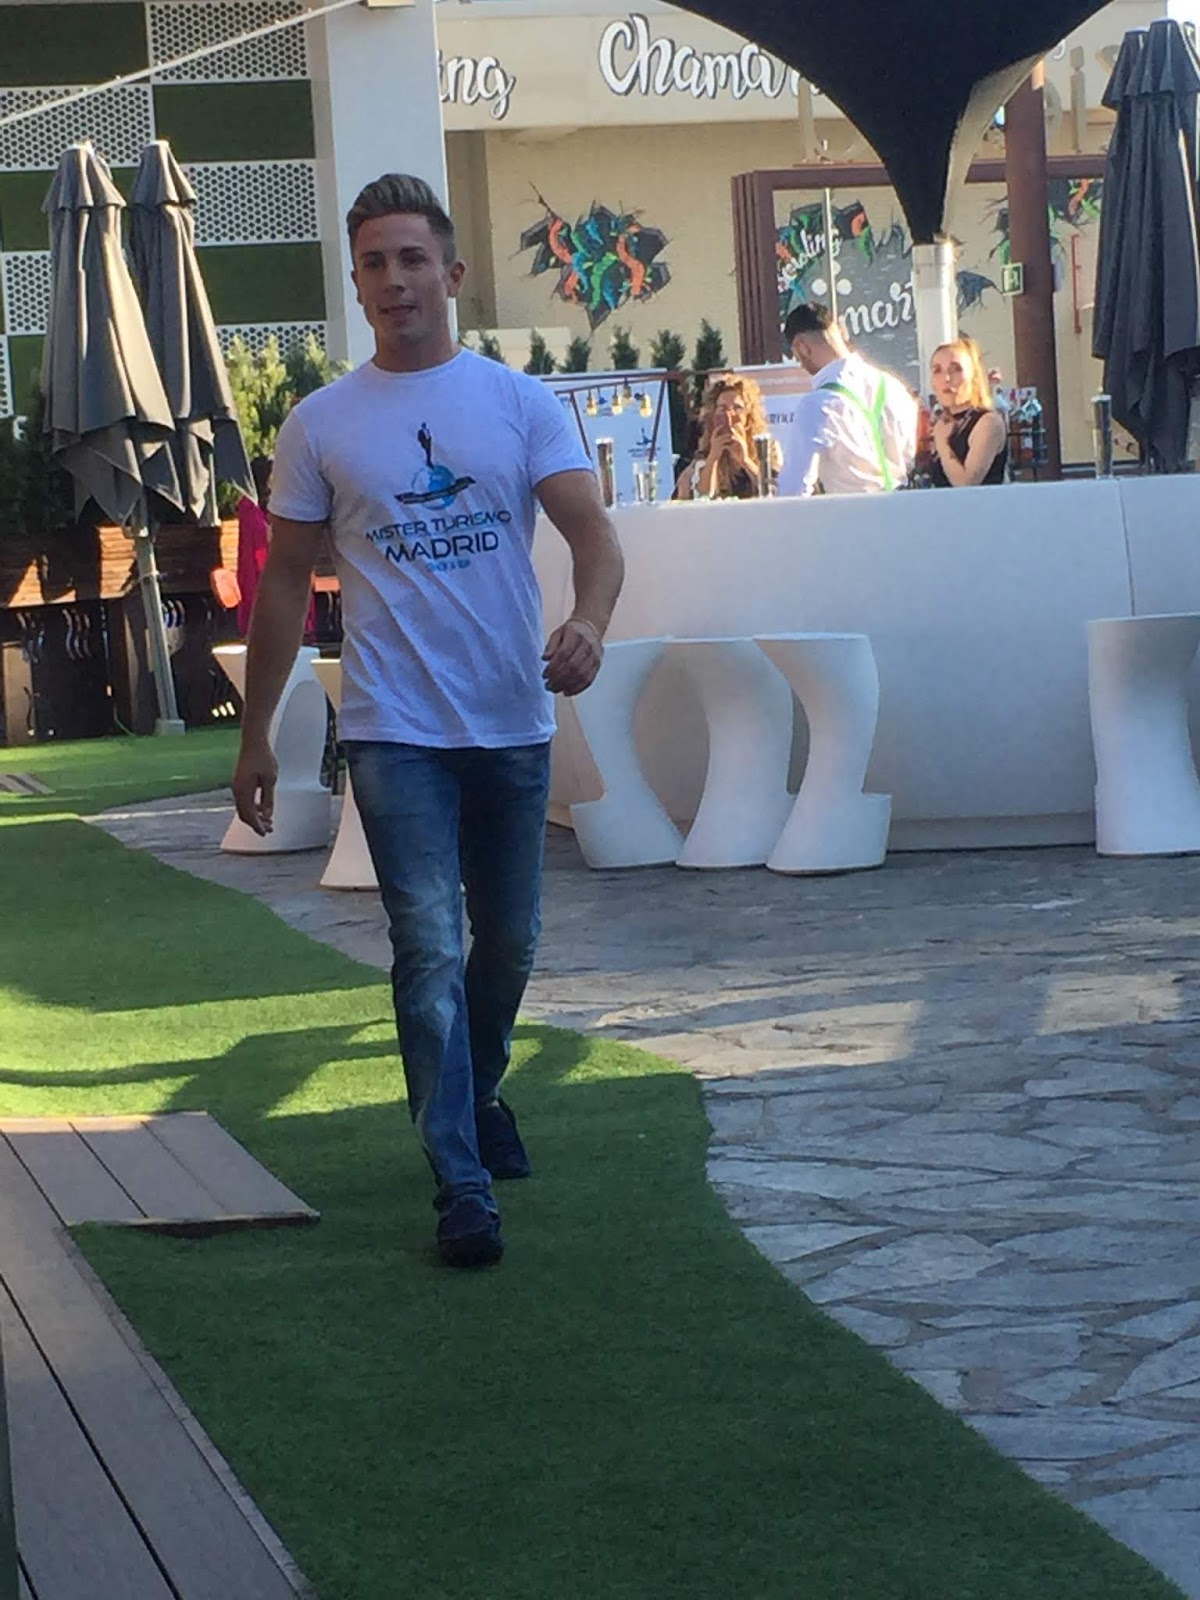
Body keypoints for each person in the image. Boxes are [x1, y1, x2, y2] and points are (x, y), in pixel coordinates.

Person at [231, 173, 624, 1270]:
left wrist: (589, 623)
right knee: (429, 945)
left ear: (451, 275)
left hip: (511, 718)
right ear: (356, 283)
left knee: (510, 941)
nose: (394, 279)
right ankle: (460, 1181)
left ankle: (479, 1092)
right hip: (392, 727)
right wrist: (258, 733)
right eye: (374, 263)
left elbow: (594, 538)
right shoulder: (320, 423)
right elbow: (283, 584)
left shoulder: (518, 403)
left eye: (412, 259)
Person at [776, 302, 917, 496]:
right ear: (841, 332)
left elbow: (794, 488)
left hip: (851, 509)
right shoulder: (895, 388)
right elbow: (909, 455)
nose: (800, 363)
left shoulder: (818, 404)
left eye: (796, 356)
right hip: (903, 504)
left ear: (802, 348)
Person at [673, 372, 779, 499]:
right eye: (723, 408)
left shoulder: (766, 447)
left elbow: (775, 493)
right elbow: (702, 496)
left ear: (748, 415)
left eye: (737, 408)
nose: (730, 415)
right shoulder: (701, 448)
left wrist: (745, 461)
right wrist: (713, 457)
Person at [928, 338, 1009, 487]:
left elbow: (967, 485)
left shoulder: (988, 422)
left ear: (974, 377)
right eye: (937, 370)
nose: (946, 378)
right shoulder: (944, 422)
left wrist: (942, 443)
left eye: (956, 369)